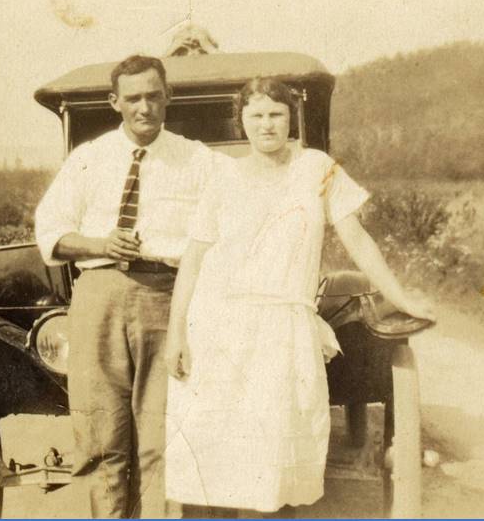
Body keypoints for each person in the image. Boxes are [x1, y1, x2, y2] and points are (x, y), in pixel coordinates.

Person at [163, 77, 434, 515]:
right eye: (256, 115)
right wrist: (177, 335)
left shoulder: (317, 167)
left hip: (281, 329)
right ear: (242, 121)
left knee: (274, 462)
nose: (266, 124)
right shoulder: (222, 177)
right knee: (211, 462)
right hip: (217, 328)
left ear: (292, 119)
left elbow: (358, 240)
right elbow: (193, 262)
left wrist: (398, 296)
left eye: (276, 114)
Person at [34, 54, 219, 518]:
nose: (144, 107)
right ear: (114, 102)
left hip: (168, 300)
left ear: (168, 97)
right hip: (98, 298)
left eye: (154, 96)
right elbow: (52, 231)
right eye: (133, 98)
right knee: (101, 434)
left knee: (163, 434)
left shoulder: (199, 160)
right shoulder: (88, 159)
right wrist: (101, 243)